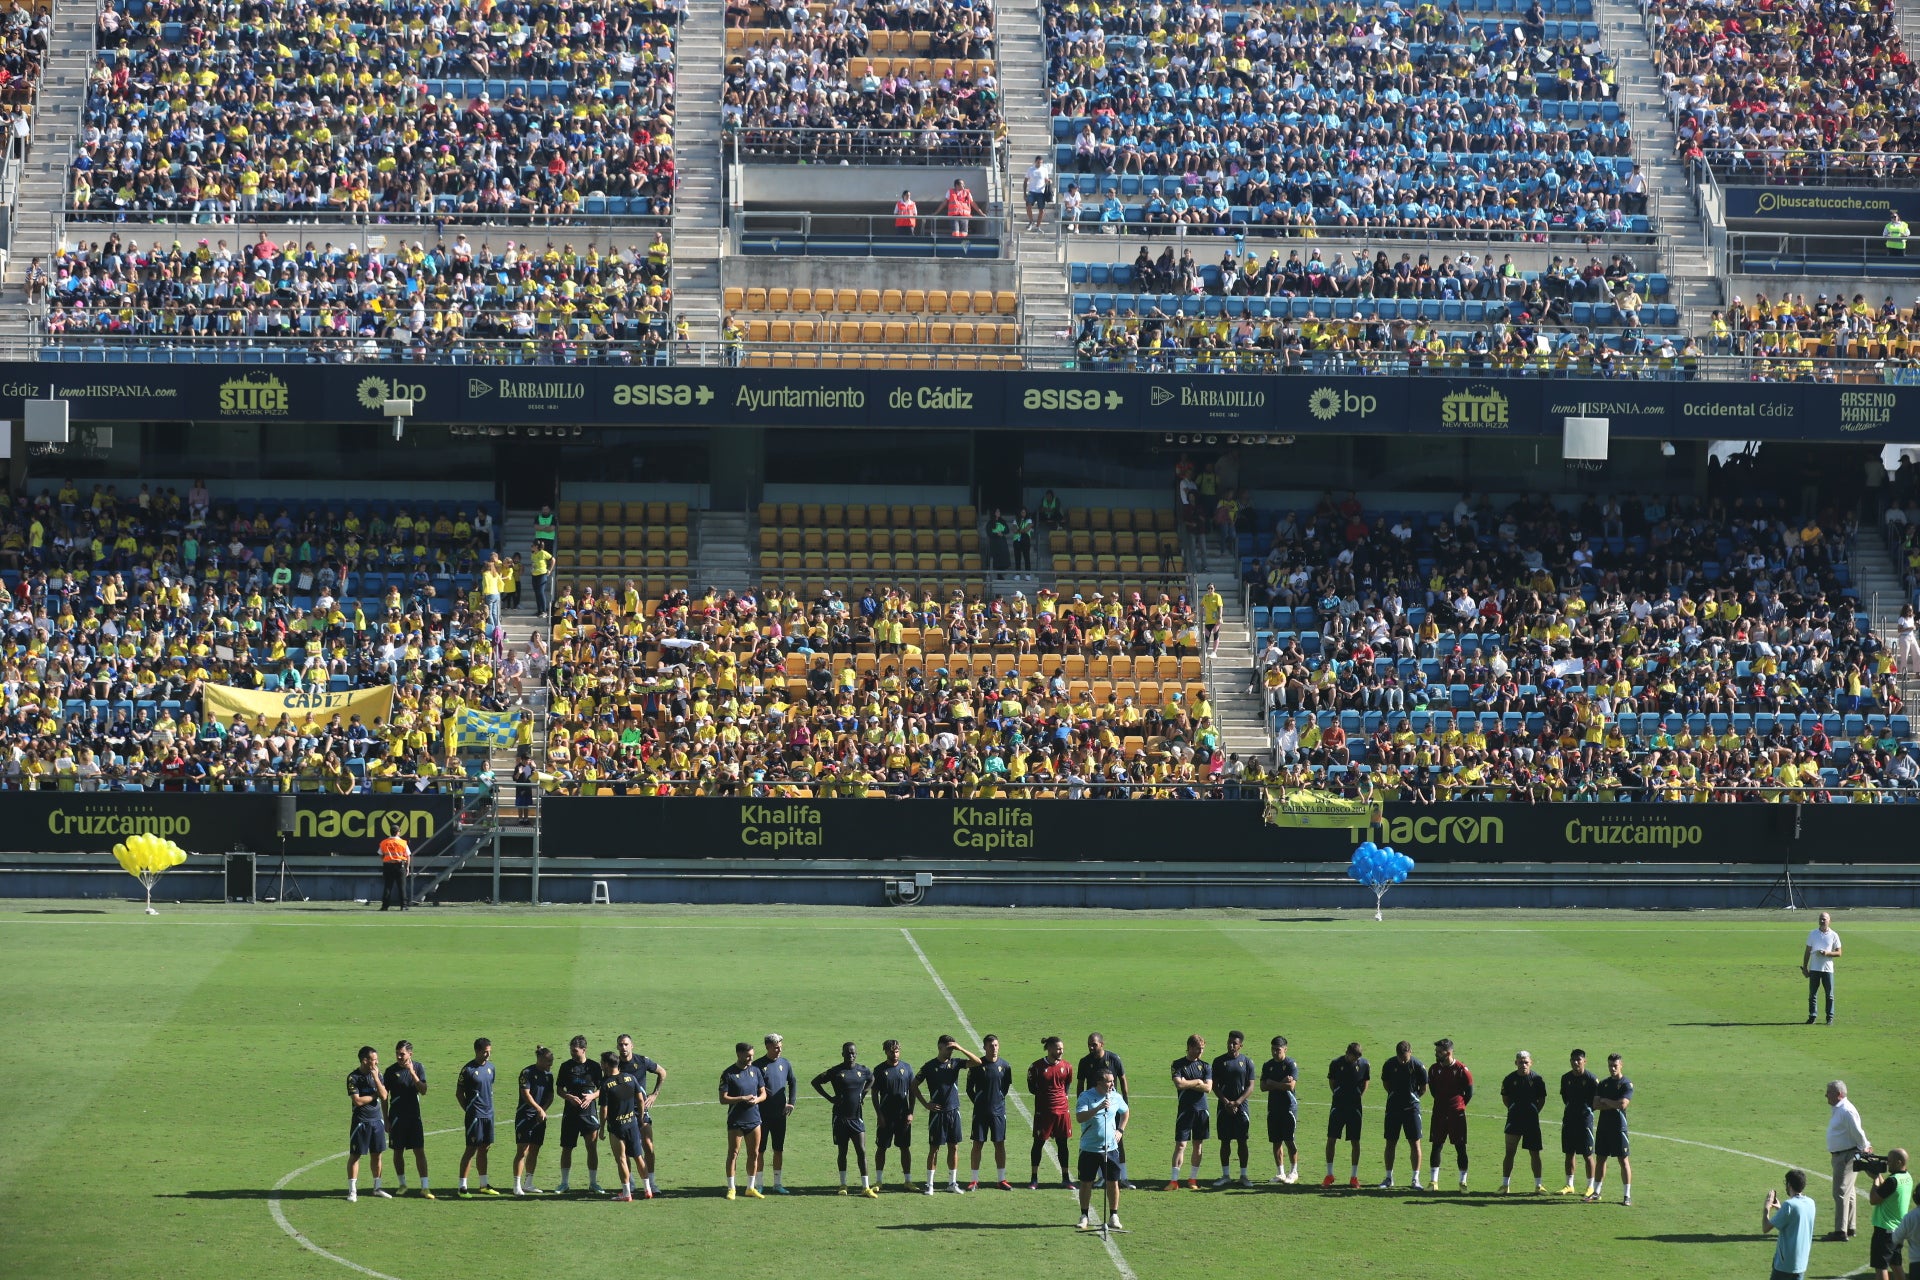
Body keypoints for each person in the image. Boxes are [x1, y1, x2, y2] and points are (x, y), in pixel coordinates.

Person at [914, 1034, 982, 1194]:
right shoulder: (929, 1066)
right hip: (937, 1114)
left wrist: (961, 1048)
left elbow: (978, 1062)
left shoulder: (956, 1063)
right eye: (949, 1048)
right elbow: (914, 1085)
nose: (951, 1051)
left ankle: (952, 1183)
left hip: (954, 1112)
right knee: (934, 1148)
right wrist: (926, 1104)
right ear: (940, 1047)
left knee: (954, 1147)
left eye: (952, 1048)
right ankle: (929, 1185)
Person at [811, 1041, 878, 1197]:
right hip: (840, 1118)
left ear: (856, 1054)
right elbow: (815, 1082)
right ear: (842, 1054)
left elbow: (872, 1079)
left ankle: (865, 1187)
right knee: (843, 1152)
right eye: (848, 1053)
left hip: (856, 1118)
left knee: (861, 1151)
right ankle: (843, 1184)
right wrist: (830, 1098)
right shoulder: (835, 1071)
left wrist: (864, 1092)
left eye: (853, 1052)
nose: (851, 1055)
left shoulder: (862, 1070)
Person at [1075, 1069, 1130, 1232]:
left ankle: (1114, 1215)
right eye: (1109, 1081)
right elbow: (1079, 1117)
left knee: (1113, 1182)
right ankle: (1084, 1215)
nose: (1112, 1084)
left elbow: (1125, 1112)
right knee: (1086, 1183)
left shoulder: (1115, 1096)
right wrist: (1098, 1107)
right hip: (1089, 1148)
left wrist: (1120, 1130)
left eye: (1113, 1081)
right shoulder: (1086, 1096)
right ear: (1098, 1082)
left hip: (1110, 1148)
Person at [613, 1034, 666, 1196]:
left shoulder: (642, 1061)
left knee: (648, 1146)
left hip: (640, 1110)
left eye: (626, 1044)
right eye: (621, 1045)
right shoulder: (615, 1065)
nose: (623, 1048)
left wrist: (655, 1094)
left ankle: (651, 1182)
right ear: (617, 1047)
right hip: (623, 1112)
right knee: (625, 1151)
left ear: (632, 1046)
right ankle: (631, 1182)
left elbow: (662, 1072)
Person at [1077, 1033, 1130, 1185]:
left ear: (1102, 1044)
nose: (1091, 1047)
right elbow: (1080, 1084)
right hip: (1093, 1105)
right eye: (1089, 1044)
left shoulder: (1113, 1059)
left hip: (1113, 1106)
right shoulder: (1085, 1062)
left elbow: (1123, 1080)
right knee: (1097, 1139)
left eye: (1094, 1044)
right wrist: (1081, 1103)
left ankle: (1123, 1177)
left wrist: (1124, 1102)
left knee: (1117, 1141)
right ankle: (1102, 1177)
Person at [554, 1036, 604, 1195]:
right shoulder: (565, 1066)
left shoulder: (594, 1067)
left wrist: (591, 1097)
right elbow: (559, 1089)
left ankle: (593, 1183)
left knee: (591, 1148)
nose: (572, 1053)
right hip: (570, 1114)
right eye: (571, 1050)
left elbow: (603, 1089)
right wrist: (568, 1097)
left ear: (584, 1050)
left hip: (589, 1114)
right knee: (567, 1148)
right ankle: (564, 1183)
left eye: (575, 1051)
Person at [381, 1039, 431, 1197]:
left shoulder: (418, 1067)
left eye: (402, 1054)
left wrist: (412, 1073)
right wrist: (386, 1119)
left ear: (410, 1054)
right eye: (397, 1054)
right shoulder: (390, 1071)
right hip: (396, 1118)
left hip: (414, 1117)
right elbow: (383, 1097)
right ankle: (402, 1184)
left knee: (419, 1151)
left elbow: (423, 1090)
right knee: (397, 1151)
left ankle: (425, 1186)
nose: (399, 1057)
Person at [720, 1041, 768, 1200]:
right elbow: (723, 1099)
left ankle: (750, 1187)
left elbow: (763, 1093)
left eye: (752, 1056)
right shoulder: (728, 1074)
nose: (750, 1059)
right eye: (748, 1056)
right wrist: (742, 1098)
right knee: (733, 1153)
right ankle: (731, 1188)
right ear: (739, 1054)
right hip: (736, 1120)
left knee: (754, 1153)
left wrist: (757, 1100)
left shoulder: (755, 1071)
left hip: (754, 1119)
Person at [966, 1034, 1015, 1191]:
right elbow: (969, 1089)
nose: (994, 1048)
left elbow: (1005, 1087)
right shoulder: (977, 1065)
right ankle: (974, 1180)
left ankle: (1001, 1179)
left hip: (998, 1112)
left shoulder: (1005, 1066)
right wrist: (979, 1102)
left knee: (999, 1144)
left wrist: (998, 1100)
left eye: (996, 1045)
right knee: (977, 1144)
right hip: (980, 1112)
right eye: (991, 1046)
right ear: (984, 1047)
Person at [598, 1050, 647, 1201]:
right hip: (632, 1123)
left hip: (617, 1127)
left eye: (602, 1063)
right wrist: (641, 1116)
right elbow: (640, 1099)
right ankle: (648, 1189)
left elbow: (604, 1110)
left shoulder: (606, 1084)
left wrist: (601, 1128)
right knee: (639, 1157)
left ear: (606, 1064)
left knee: (622, 1159)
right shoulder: (630, 1078)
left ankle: (626, 1193)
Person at [1027, 1035, 1075, 1189]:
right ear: (1050, 1048)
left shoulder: (1067, 1067)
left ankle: (1066, 1178)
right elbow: (1032, 1088)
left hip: (1062, 1111)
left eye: (1062, 1048)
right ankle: (1034, 1178)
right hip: (1044, 1111)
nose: (1061, 1051)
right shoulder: (1036, 1067)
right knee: (1038, 1143)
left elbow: (1067, 1084)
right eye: (1058, 1048)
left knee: (1063, 1144)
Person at [1380, 1040, 1428, 1189]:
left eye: (1405, 1058)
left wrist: (1413, 1098)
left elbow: (1423, 1088)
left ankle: (1415, 1179)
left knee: (1415, 1143)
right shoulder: (1389, 1065)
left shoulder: (1418, 1066)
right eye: (1401, 1058)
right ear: (1397, 1054)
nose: (1403, 1060)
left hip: (1412, 1110)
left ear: (1410, 1053)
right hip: (1393, 1109)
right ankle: (1388, 1178)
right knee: (1390, 1142)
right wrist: (1395, 1095)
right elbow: (1386, 1084)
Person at [1829, 1080, 1873, 1240]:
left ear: (1839, 1094)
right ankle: (1850, 1226)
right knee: (1850, 1191)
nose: (1826, 1095)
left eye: (1829, 1092)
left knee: (1840, 1191)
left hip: (1846, 1155)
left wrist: (1865, 1147)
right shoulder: (1839, 1109)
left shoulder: (1846, 1111)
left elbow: (1858, 1132)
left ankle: (1840, 1231)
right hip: (1844, 1154)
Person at [1210, 1031, 1256, 1188]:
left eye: (1234, 1043)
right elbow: (1214, 1085)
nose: (1231, 1046)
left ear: (1241, 1045)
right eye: (1229, 1042)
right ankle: (1226, 1175)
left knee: (1242, 1141)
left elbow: (1251, 1086)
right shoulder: (1218, 1061)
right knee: (1225, 1141)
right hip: (1224, 1107)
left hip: (1241, 1107)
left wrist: (1237, 1102)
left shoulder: (1247, 1062)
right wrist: (1226, 1102)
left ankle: (1243, 1175)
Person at [1428, 1038, 1474, 1191]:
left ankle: (1463, 1182)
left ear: (1448, 1052)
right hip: (1439, 1112)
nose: (1436, 1053)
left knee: (1460, 1147)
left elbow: (1469, 1092)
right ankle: (1433, 1182)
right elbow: (1433, 1091)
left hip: (1456, 1115)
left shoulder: (1462, 1070)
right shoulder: (1434, 1069)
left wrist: (1458, 1105)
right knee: (1436, 1146)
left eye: (1439, 1051)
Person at [347, 1045, 392, 1201]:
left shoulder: (378, 1074)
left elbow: (385, 1095)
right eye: (374, 1059)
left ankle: (377, 1187)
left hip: (376, 1121)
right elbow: (358, 1101)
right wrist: (374, 1096)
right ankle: (352, 1191)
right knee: (355, 1155)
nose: (377, 1062)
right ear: (365, 1060)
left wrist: (375, 1078)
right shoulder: (353, 1077)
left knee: (377, 1155)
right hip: (361, 1122)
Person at [1169, 1034, 1213, 1190]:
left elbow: (1208, 1088)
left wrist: (1190, 1083)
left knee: (1198, 1145)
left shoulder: (1206, 1066)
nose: (1200, 1052)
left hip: (1202, 1110)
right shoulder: (1178, 1064)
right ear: (1189, 1047)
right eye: (1198, 1049)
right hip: (1185, 1110)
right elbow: (1179, 1084)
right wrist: (1197, 1082)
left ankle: (1192, 1179)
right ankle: (1174, 1181)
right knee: (1181, 1145)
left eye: (1202, 1049)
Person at [1588, 1053, 1633, 1206]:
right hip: (1603, 1127)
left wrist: (1606, 1101)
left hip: (1619, 1128)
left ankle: (1627, 1195)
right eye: (1610, 1066)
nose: (1612, 1068)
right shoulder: (1603, 1084)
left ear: (1621, 1065)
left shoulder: (1626, 1084)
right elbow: (1595, 1105)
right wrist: (1612, 1103)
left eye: (1615, 1065)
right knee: (1600, 1159)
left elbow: (1623, 1105)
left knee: (1623, 1160)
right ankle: (1596, 1192)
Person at [754, 1034, 796, 1194]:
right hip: (761, 1115)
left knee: (778, 1149)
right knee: (760, 1150)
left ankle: (777, 1184)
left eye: (780, 1046)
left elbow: (793, 1082)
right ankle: (759, 1184)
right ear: (767, 1047)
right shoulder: (757, 1066)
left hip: (780, 1115)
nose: (779, 1050)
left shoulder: (785, 1063)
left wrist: (791, 1102)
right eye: (776, 1047)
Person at [1500, 1050, 1548, 1193]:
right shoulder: (1509, 1079)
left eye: (1526, 1062)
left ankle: (1538, 1185)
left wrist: (1533, 1112)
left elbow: (1542, 1099)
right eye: (1520, 1062)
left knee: (1535, 1153)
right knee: (1509, 1152)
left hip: (1531, 1122)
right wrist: (1514, 1109)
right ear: (1516, 1063)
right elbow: (1505, 1098)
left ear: (1530, 1063)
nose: (1523, 1065)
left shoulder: (1538, 1080)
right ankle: (1505, 1185)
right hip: (1514, 1120)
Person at [1324, 1041, 1370, 1188]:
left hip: (1355, 1108)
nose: (1355, 1060)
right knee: (1331, 1139)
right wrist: (1338, 1094)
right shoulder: (1336, 1063)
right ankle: (1329, 1175)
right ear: (1347, 1053)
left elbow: (1365, 1081)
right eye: (1353, 1057)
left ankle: (1354, 1177)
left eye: (1357, 1058)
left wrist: (1358, 1096)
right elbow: (1332, 1081)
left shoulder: (1364, 1064)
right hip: (1338, 1107)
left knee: (1355, 1141)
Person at [872, 1039, 917, 1188]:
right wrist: (879, 1115)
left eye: (897, 1051)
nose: (895, 1054)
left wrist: (911, 1112)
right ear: (885, 1051)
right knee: (882, 1147)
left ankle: (908, 1180)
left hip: (903, 1116)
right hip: (886, 1116)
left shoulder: (907, 1068)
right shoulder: (879, 1070)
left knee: (905, 1147)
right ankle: (879, 1180)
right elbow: (874, 1094)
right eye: (892, 1051)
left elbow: (912, 1092)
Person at [456, 1037, 498, 1195]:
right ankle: (462, 1187)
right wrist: (468, 1109)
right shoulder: (468, 1070)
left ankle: (484, 1184)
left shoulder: (491, 1068)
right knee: (471, 1149)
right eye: (485, 1051)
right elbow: (459, 1093)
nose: (488, 1054)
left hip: (489, 1114)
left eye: (489, 1051)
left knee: (485, 1148)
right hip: (475, 1116)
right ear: (477, 1051)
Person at [511, 1045, 554, 1195]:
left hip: (539, 1118)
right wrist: (538, 1109)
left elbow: (550, 1096)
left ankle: (528, 1183)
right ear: (540, 1059)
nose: (550, 1064)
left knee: (535, 1149)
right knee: (522, 1150)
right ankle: (516, 1184)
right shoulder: (527, 1072)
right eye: (548, 1061)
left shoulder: (549, 1075)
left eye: (552, 1061)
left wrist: (543, 1110)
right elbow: (526, 1094)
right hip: (525, 1117)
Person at [1868, 1149, 1914, 1280]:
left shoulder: (1893, 1181)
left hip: (1884, 1230)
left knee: (1881, 1267)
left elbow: (1873, 1199)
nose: (1887, 1163)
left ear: (1899, 1162)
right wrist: (1878, 1176)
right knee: (1895, 1263)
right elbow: (1887, 1189)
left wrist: (1875, 1179)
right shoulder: (1907, 1177)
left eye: (1890, 1160)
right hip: (1898, 1228)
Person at [1766, 1169, 1819, 1280]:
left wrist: (1766, 1209)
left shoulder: (1789, 1205)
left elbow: (1766, 1227)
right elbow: (1796, 1218)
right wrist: (1780, 1209)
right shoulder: (1810, 1202)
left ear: (1789, 1184)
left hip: (1785, 1264)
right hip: (1801, 1262)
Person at [1560, 1048, 1599, 1196]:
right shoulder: (1565, 1078)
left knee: (1587, 1154)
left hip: (1585, 1121)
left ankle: (1590, 1186)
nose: (1576, 1062)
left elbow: (1596, 1100)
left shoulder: (1591, 1079)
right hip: (1569, 1119)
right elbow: (1565, 1097)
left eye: (1579, 1060)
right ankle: (1569, 1184)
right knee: (1569, 1153)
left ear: (1584, 1061)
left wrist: (1586, 1111)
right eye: (1573, 1060)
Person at [1261, 1035, 1300, 1183]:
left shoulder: (1290, 1064)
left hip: (1288, 1108)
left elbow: (1291, 1086)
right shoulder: (1268, 1065)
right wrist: (1281, 1082)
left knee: (1289, 1140)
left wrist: (1273, 1082)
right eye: (1273, 1049)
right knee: (1276, 1141)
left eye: (1277, 1049)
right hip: (1273, 1107)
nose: (1275, 1052)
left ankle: (1294, 1171)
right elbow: (1263, 1087)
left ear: (1285, 1049)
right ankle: (1280, 1173)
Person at [1804, 911, 1842, 1024]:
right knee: (1812, 994)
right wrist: (1805, 967)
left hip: (1827, 969)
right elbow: (1807, 952)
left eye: (1824, 919)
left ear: (1829, 921)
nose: (1822, 921)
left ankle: (1829, 1017)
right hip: (1814, 968)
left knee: (1829, 994)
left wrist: (1827, 953)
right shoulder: (1812, 934)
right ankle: (1812, 1016)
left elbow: (1839, 953)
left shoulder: (1834, 935)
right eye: (1820, 919)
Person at [378, 831, 410, 911]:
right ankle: (403, 906)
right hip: (400, 866)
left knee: (388, 886)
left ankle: (385, 906)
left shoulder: (384, 842)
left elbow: (380, 854)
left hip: (388, 866)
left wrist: (386, 861)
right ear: (398, 832)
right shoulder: (403, 842)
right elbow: (408, 856)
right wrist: (407, 867)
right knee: (401, 887)